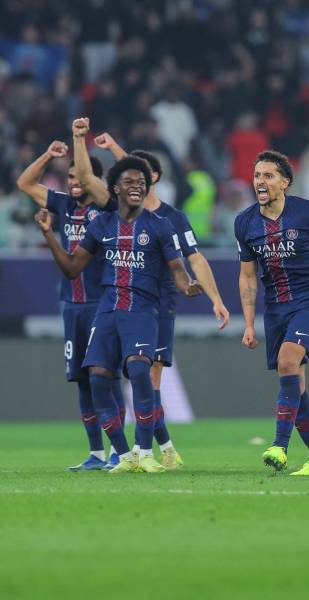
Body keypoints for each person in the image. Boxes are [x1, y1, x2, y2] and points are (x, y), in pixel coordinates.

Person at [34, 155, 203, 474]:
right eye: (129, 181)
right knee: (98, 378)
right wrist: (48, 234)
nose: (137, 186)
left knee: (139, 372)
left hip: (141, 311)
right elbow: (72, 268)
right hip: (107, 311)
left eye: (141, 182)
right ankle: (124, 455)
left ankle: (144, 451)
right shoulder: (101, 224)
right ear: (114, 189)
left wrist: (188, 285)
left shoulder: (160, 225)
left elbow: (177, 269)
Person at [94, 133, 230, 469]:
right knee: (124, 375)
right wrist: (112, 148)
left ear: (153, 178)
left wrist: (215, 298)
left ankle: (150, 450)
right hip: (121, 302)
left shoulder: (172, 219)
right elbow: (124, 171)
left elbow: (195, 260)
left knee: (150, 375)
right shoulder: (120, 211)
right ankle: (161, 446)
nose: (134, 180)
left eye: (142, 174)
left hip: (161, 302)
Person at [235, 150, 309, 476]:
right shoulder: (244, 222)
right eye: (257, 175)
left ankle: (280, 445)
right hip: (275, 308)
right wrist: (248, 323)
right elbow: (247, 276)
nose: (260, 181)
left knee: (289, 362)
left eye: (268, 175)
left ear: (285, 182)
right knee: (294, 384)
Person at [16, 120, 126, 471]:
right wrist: (49, 154)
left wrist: (81, 140)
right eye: (71, 180)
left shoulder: (107, 207)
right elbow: (24, 183)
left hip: (102, 303)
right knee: (81, 380)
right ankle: (95, 452)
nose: (74, 184)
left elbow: (99, 184)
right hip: (72, 305)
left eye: (80, 179)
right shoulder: (63, 206)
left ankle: (118, 450)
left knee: (105, 377)